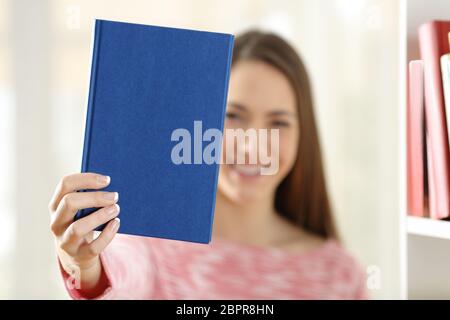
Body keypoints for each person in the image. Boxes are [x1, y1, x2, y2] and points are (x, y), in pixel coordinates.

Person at [49, 30, 367, 299]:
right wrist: (84, 266)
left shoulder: (340, 275)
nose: (251, 145)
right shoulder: (152, 249)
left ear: (303, 135)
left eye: (278, 123)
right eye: (233, 116)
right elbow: (114, 279)